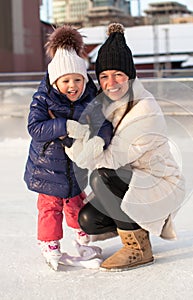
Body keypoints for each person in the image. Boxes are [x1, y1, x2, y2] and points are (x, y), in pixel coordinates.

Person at [66, 23, 185, 272]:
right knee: (88, 219)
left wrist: (80, 151)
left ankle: (138, 248)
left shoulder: (144, 108)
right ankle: (135, 225)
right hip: (130, 180)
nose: (111, 83)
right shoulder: (105, 105)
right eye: (104, 76)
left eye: (118, 74)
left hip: (158, 182)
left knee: (100, 176)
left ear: (130, 76)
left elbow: (112, 158)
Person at [23, 25, 113, 270]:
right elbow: (35, 128)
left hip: (75, 165)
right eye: (66, 81)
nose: (72, 85)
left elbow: (103, 122)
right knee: (50, 205)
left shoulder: (90, 98)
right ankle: (49, 243)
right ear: (55, 81)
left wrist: (99, 139)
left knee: (76, 202)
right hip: (47, 167)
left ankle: (82, 237)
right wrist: (65, 126)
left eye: (77, 79)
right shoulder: (43, 99)